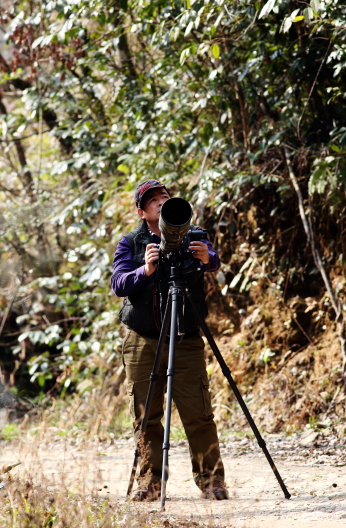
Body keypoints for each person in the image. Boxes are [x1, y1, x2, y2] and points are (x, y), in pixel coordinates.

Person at [111, 179, 228, 502]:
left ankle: (212, 481)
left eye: (165, 197)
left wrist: (207, 257)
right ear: (141, 211)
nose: (161, 202)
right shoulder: (132, 243)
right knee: (145, 414)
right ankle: (150, 482)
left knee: (198, 412)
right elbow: (119, 284)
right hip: (143, 340)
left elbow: (214, 261)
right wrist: (144, 271)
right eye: (152, 200)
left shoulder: (194, 234)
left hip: (186, 337)